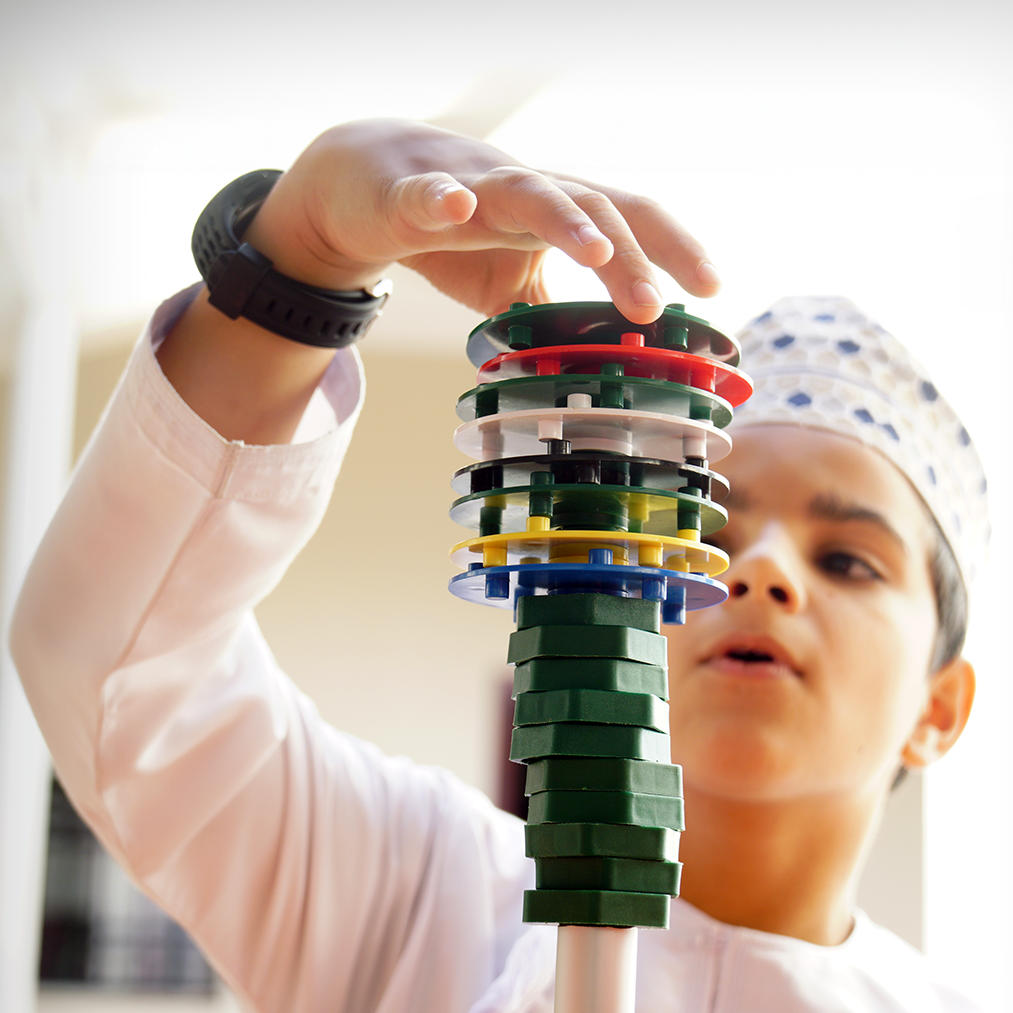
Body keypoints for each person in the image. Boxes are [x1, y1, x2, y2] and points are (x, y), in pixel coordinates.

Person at [10, 118, 988, 1012]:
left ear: (938, 706)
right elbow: (116, 664)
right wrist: (296, 262)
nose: (757, 572)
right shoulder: (416, 892)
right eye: (704, 530)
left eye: (849, 559)